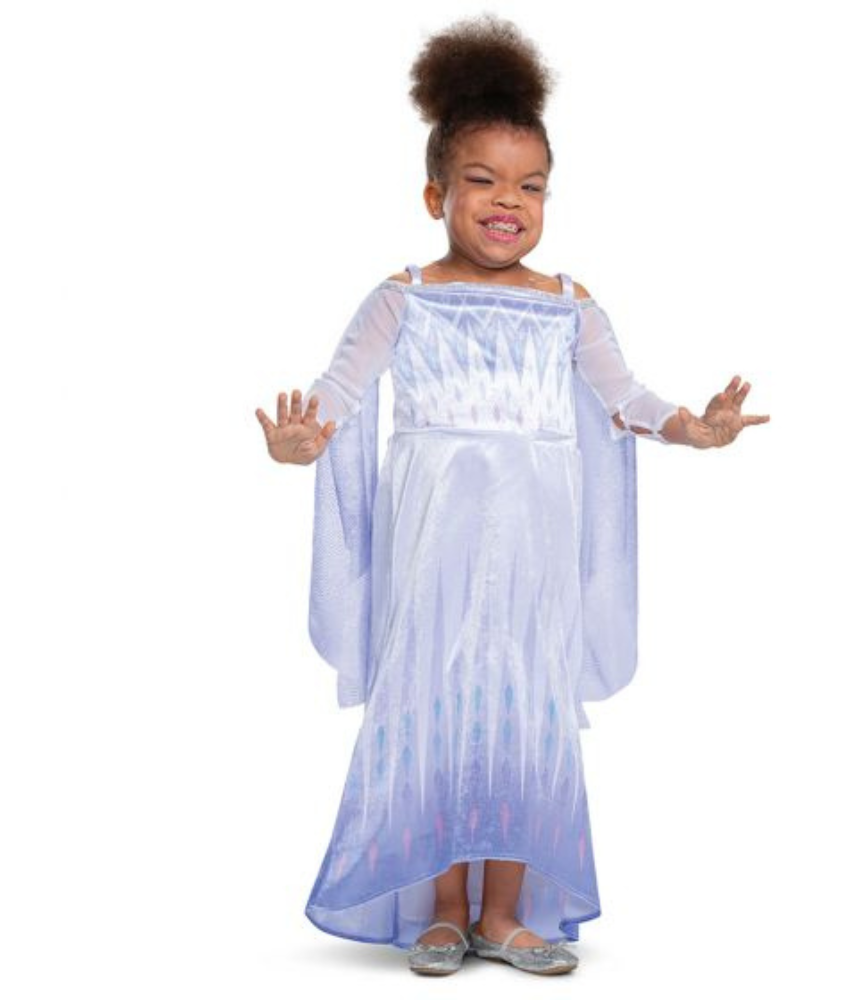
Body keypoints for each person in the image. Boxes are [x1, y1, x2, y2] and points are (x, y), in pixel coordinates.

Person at [255, 13, 769, 977]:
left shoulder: (569, 305)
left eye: (531, 186)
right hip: (433, 559)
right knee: (435, 712)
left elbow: (624, 399)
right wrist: (301, 441)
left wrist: (691, 427)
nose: (509, 201)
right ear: (436, 194)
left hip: (534, 558)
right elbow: (336, 398)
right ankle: (444, 909)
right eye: (483, 180)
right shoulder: (403, 297)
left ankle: (505, 911)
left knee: (525, 715)